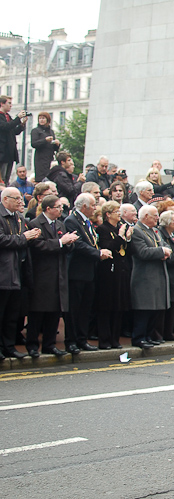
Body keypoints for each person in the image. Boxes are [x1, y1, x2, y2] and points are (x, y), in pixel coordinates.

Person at [26, 195, 77, 358]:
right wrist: (61, 242)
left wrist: (69, 242)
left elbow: (65, 247)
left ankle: (49, 344)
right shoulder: (35, 224)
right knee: (38, 312)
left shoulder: (60, 223)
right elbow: (38, 246)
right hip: (43, 275)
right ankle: (33, 345)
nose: (61, 210)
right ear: (48, 208)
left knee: (55, 311)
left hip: (59, 274)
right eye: (58, 207)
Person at [64, 193, 112, 354]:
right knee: (74, 309)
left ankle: (81, 339)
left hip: (89, 272)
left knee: (85, 308)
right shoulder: (71, 221)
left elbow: (91, 242)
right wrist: (98, 253)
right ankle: (71, 341)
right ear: (84, 206)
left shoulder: (87, 222)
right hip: (76, 272)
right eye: (93, 205)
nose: (95, 208)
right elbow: (78, 245)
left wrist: (98, 251)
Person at [0, 187, 40, 360]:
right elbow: (2, 240)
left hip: (17, 272)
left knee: (12, 315)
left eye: (20, 198)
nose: (20, 201)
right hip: (3, 273)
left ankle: (9, 347)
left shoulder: (19, 218)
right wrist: (25, 237)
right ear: (5, 199)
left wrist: (32, 237)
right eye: (16, 198)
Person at [129, 205, 173, 349]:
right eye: (154, 215)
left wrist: (165, 251)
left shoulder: (155, 231)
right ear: (146, 216)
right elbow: (142, 252)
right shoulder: (137, 231)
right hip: (144, 277)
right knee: (144, 310)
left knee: (154, 310)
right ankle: (139, 337)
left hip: (157, 276)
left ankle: (148, 335)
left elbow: (167, 245)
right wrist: (161, 251)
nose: (157, 218)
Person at [94, 201, 132, 349]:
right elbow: (108, 247)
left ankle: (115, 339)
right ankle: (105, 339)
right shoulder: (102, 229)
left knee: (119, 306)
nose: (119, 214)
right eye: (116, 211)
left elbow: (128, 250)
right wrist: (121, 237)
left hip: (121, 271)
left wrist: (127, 238)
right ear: (108, 214)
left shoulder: (120, 228)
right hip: (108, 273)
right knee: (107, 307)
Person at [156, 209, 174, 342]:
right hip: (167, 273)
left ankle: (169, 331)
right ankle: (162, 332)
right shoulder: (161, 234)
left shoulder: (172, 235)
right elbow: (166, 256)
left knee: (173, 304)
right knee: (166, 305)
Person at [0, 96, 29, 185]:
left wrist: (21, 125)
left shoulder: (8, 116)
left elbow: (14, 131)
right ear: (2, 104)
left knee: (7, 178)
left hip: (9, 152)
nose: (11, 106)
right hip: (2, 152)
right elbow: (6, 127)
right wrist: (17, 118)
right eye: (9, 103)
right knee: (2, 177)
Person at [30, 112, 60, 181]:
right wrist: (45, 140)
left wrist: (57, 144)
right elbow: (34, 144)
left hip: (50, 158)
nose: (41, 120)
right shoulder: (36, 131)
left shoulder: (51, 131)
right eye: (40, 118)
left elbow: (54, 148)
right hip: (41, 159)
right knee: (41, 178)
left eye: (43, 118)